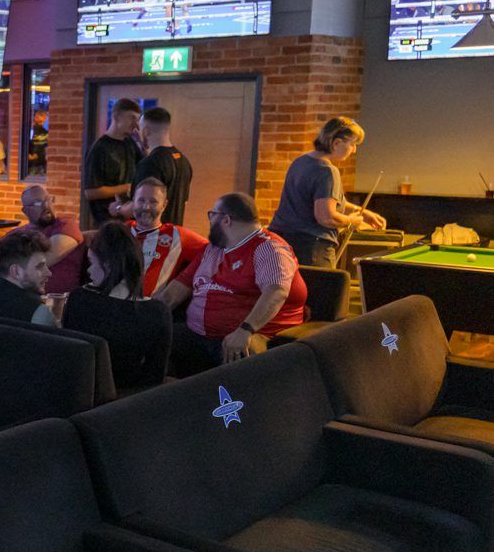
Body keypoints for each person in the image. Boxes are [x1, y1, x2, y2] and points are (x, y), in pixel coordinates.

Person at [157, 193, 308, 376]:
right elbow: (177, 289)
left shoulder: (268, 248)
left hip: (241, 335)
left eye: (211, 215)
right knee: (154, 340)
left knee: (242, 351)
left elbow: (276, 292)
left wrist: (245, 330)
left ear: (226, 220)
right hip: (198, 333)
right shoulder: (214, 248)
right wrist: (147, 316)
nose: (210, 221)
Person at [268, 116, 385, 268]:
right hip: (311, 250)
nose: (354, 150)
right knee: (321, 291)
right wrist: (353, 221)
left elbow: (323, 200)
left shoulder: (300, 161)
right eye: (353, 144)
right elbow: (326, 217)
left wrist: (361, 212)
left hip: (281, 243)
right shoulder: (327, 171)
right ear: (336, 143)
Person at [127, 177, 207, 297]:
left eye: (153, 202)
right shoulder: (121, 230)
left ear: (164, 205)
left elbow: (212, 250)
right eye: (141, 200)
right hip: (114, 303)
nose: (146, 207)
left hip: (148, 309)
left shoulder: (178, 236)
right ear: (133, 202)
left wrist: (185, 280)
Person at [115, 106, 193, 225]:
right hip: (173, 235)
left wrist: (118, 209)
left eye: (140, 129)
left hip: (152, 236)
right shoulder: (183, 160)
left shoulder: (149, 164)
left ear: (146, 131)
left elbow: (139, 207)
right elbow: (184, 202)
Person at [13, 184, 84, 295]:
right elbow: (0, 268)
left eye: (49, 200)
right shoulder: (14, 234)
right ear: (25, 211)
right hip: (20, 298)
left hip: (58, 300)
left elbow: (45, 259)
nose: (46, 206)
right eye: (38, 203)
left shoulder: (66, 226)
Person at [83, 98, 144, 226]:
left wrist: (143, 144)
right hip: (107, 223)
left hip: (130, 220)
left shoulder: (130, 143)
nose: (136, 124)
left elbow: (147, 167)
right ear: (116, 117)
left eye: (138, 119)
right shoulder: (99, 148)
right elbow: (90, 193)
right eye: (132, 118)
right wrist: (126, 187)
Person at [85, 222, 144, 299]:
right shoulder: (156, 308)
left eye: (91, 262)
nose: (88, 270)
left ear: (109, 264)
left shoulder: (83, 299)